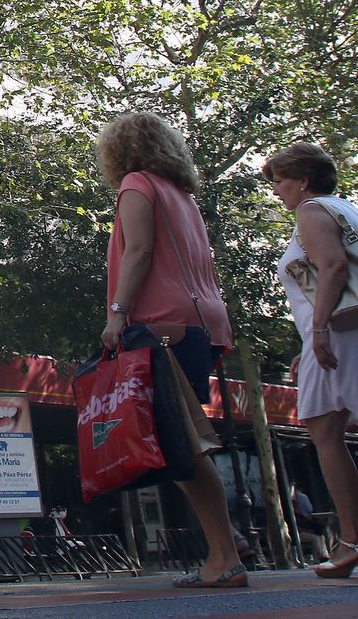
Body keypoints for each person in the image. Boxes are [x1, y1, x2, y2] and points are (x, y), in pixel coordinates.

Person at [97, 112, 242, 588]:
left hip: (162, 325)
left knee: (184, 445)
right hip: (201, 321)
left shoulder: (138, 185)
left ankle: (224, 553)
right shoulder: (182, 195)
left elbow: (138, 251)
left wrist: (117, 313)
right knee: (186, 441)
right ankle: (226, 543)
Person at [264, 142, 358, 578]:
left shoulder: (311, 211)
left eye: (281, 182)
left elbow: (333, 267)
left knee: (325, 430)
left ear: (301, 181)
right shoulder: (343, 209)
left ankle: (353, 538)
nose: (277, 191)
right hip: (333, 332)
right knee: (325, 427)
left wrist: (317, 330)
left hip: (339, 333)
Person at [291, 484, 329, 562]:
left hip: (303, 531)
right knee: (315, 538)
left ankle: (323, 556)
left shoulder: (300, 515)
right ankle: (321, 555)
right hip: (298, 533)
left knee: (321, 537)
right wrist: (308, 531)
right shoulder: (292, 516)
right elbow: (296, 528)